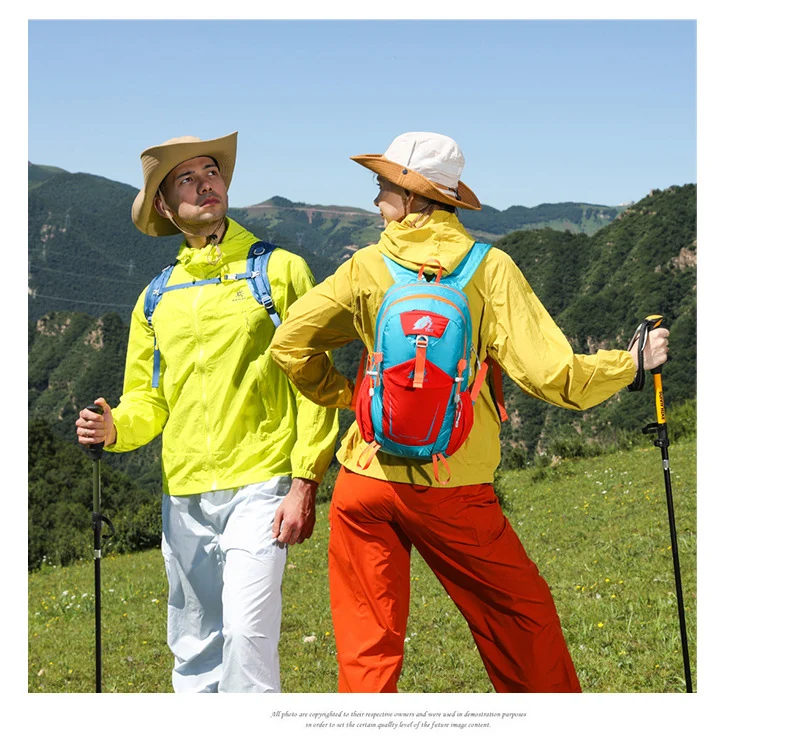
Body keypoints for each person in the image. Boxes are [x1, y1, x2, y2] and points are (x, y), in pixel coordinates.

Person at [269, 131, 669, 693]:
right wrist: (630, 364)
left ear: (414, 196)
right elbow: (553, 376)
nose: (376, 199)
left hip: (364, 481)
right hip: (450, 484)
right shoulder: (490, 268)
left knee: (367, 651)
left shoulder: (365, 266)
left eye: (383, 187)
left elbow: (289, 343)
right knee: (520, 620)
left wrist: (350, 395)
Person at [75, 132, 339, 693]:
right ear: (165, 205)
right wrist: (116, 427)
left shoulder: (281, 271)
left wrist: (305, 480)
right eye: (187, 179)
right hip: (185, 493)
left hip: (263, 483)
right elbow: (148, 399)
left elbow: (314, 383)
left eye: (211, 172)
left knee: (245, 636)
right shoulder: (155, 298)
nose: (205, 184)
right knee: (195, 648)